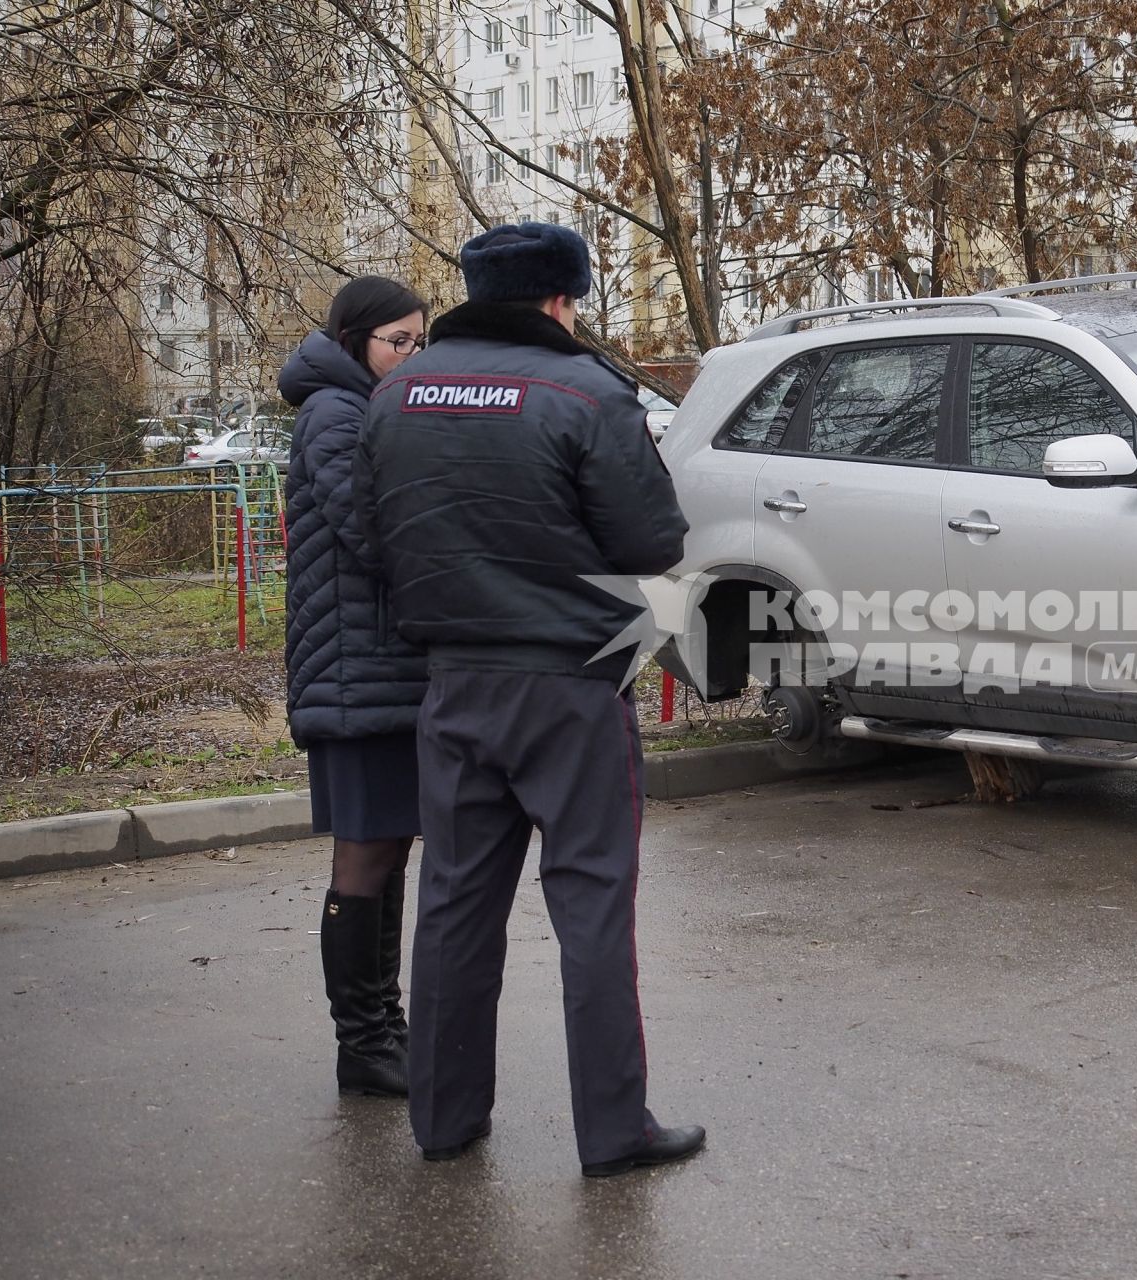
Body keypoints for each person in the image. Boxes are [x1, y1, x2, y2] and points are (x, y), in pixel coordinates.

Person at [355, 222, 701, 1176]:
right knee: (591, 903)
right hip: (569, 689)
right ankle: (614, 1130)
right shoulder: (586, 392)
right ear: (560, 300)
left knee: (456, 905)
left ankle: (444, 1120)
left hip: (453, 688)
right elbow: (652, 542)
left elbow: (369, 537)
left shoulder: (393, 396)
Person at [278, 276, 431, 1098]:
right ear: (353, 341)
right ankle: (362, 1041)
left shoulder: (366, 407)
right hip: (354, 672)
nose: (411, 354)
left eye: (419, 340)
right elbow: (373, 531)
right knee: (364, 857)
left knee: (389, 847)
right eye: (396, 341)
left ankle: (384, 1028)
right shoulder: (336, 414)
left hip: (379, 670)